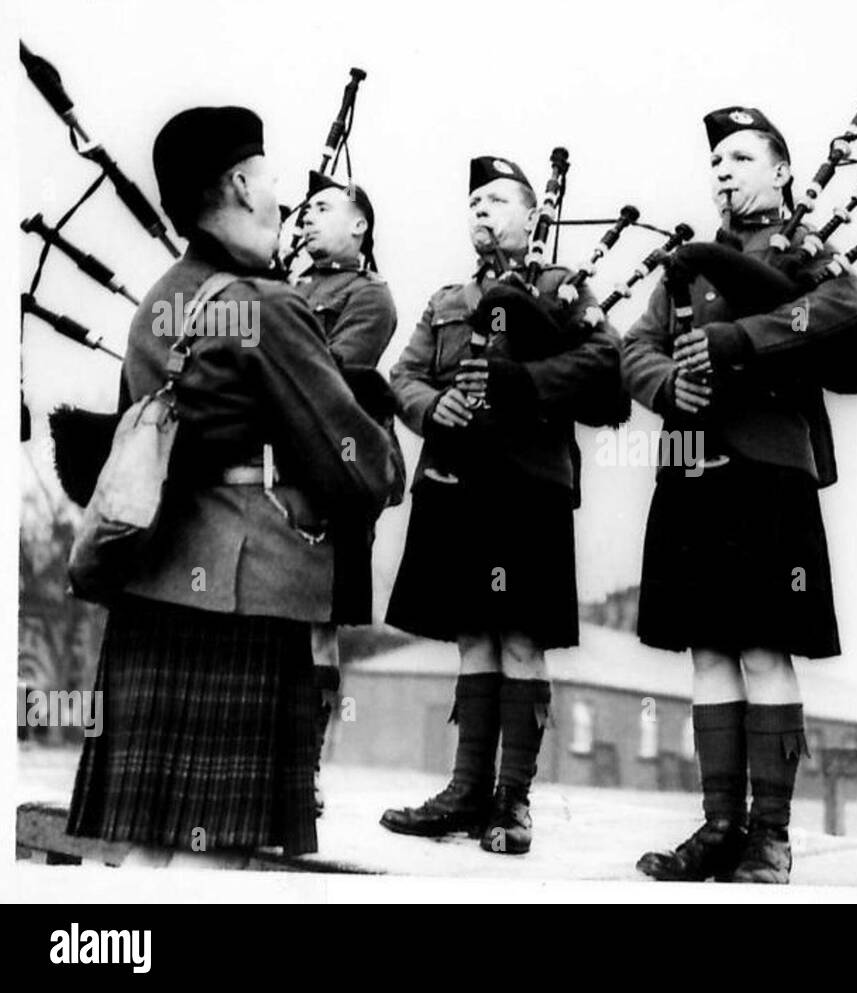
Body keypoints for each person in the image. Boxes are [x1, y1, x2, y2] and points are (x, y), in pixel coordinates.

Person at [66, 106, 398, 864]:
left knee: (143, 850)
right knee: (217, 862)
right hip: (245, 603)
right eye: (272, 178)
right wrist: (381, 432)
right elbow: (355, 465)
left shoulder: (158, 302)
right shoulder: (268, 307)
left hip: (150, 592)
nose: (284, 198)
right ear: (244, 186)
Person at [622, 107, 857, 884]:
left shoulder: (805, 252)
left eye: (740, 157)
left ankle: (771, 836)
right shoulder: (686, 266)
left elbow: (848, 303)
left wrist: (744, 339)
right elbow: (635, 347)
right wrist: (669, 384)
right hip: (692, 468)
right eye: (717, 163)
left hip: (770, 468)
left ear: (782, 172)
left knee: (764, 649)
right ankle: (719, 826)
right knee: (708, 650)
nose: (723, 172)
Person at [380, 156, 622, 855]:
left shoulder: (563, 289)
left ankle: (513, 800)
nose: (481, 210)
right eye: (474, 202)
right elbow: (404, 374)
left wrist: (523, 381)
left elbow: (605, 360)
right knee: (473, 636)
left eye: (496, 200)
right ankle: (465, 792)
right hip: (456, 482)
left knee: (521, 637)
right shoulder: (447, 299)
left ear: (532, 215)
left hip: (529, 486)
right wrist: (433, 406)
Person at [292, 173, 401, 815]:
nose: (306, 218)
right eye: (304, 210)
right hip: (276, 469)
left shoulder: (370, 295)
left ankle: (303, 770)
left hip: (336, 474)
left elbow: (326, 375)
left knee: (317, 622)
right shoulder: (285, 285)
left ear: (359, 225)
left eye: (323, 208)